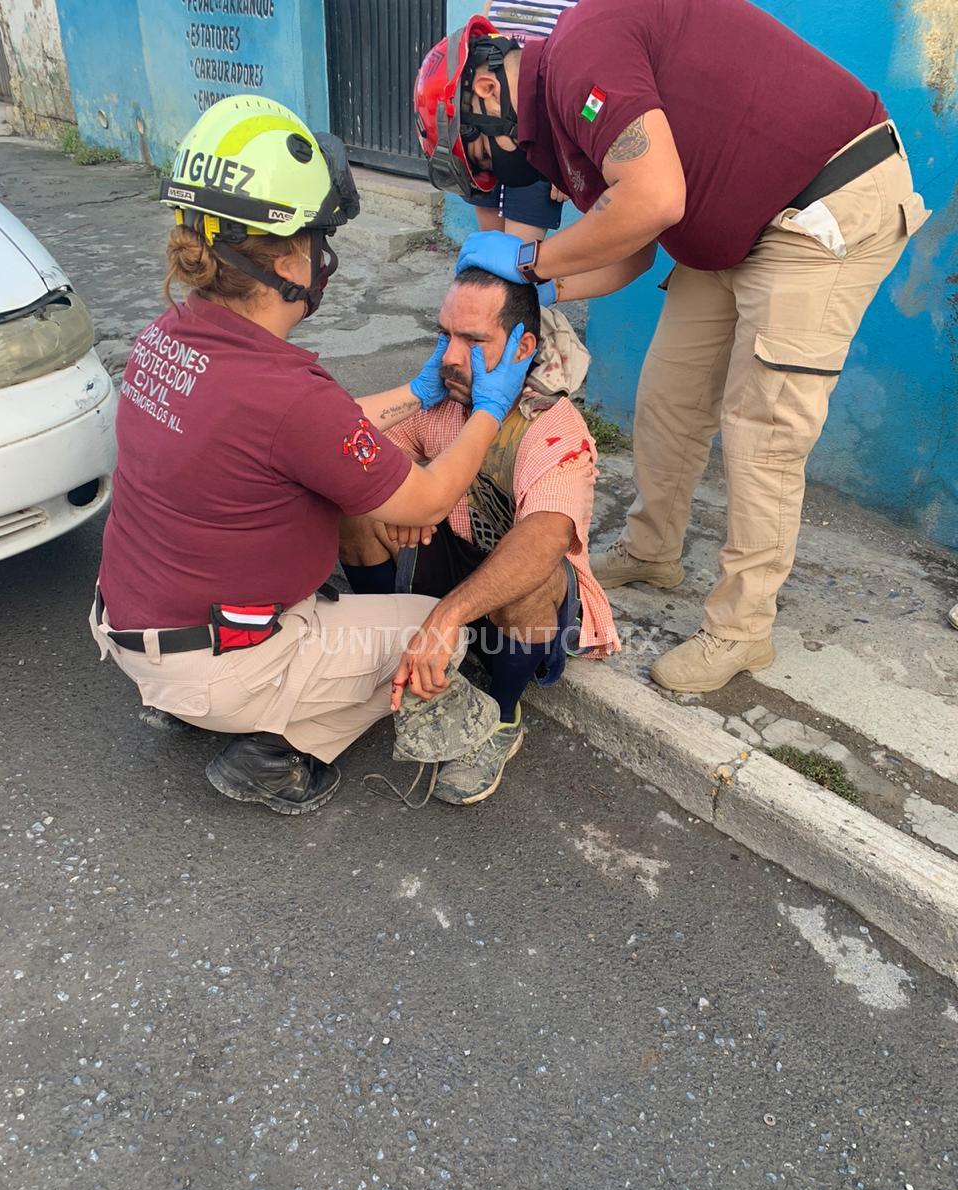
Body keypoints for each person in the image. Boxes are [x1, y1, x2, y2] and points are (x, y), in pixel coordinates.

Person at [414, 3, 931, 694]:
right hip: (735, 227)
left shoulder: (578, 55)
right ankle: (654, 551)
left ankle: (744, 629)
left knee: (764, 426)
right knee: (670, 396)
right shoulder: (558, 133)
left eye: (479, 157)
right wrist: (522, 303)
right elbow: (628, 252)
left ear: (484, 93)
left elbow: (653, 198)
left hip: (825, 200)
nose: (494, 174)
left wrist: (532, 260)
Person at [90, 94, 533, 815]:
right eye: (322, 240)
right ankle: (274, 748)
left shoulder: (166, 337)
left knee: (343, 524)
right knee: (442, 639)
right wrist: (487, 406)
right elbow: (422, 499)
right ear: (292, 255)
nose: (326, 259)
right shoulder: (287, 394)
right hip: (224, 659)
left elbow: (313, 436)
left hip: (131, 626)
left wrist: (420, 393)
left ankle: (195, 701)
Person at [339, 266, 618, 803]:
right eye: (444, 335)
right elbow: (337, 443)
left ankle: (503, 719)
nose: (449, 356)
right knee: (360, 501)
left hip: (520, 600)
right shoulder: (443, 401)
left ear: (522, 347)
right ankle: (394, 651)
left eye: (472, 340)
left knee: (532, 572)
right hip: (452, 554)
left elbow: (545, 537)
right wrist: (408, 475)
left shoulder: (552, 426)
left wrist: (446, 617)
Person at [462, 2, 578, 241]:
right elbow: (477, 46)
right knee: (491, 243)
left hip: (541, 141)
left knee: (520, 254)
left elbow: (575, 84)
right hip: (488, 128)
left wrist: (567, 159)